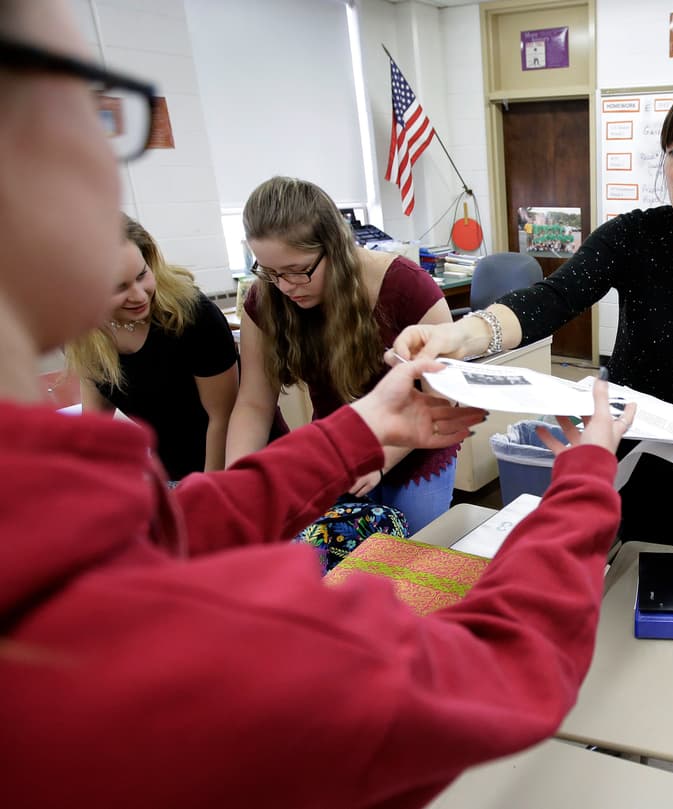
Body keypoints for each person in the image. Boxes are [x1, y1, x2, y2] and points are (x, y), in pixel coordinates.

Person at [0, 3, 638, 806]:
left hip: (396, 447)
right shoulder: (209, 648)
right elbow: (502, 670)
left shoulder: (61, 530)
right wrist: (583, 479)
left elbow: (176, 524)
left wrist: (354, 437)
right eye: (89, 117)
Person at [394, 85, 673, 551]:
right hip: (627, 458)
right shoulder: (634, 237)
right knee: (612, 577)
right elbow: (551, 299)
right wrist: (460, 335)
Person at [226, 175, 458, 533]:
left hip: (416, 446)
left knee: (414, 555)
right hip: (339, 454)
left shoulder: (407, 287)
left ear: (335, 247)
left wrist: (382, 457)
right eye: (270, 272)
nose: (285, 287)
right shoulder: (266, 299)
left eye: (298, 271)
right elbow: (254, 403)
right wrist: (233, 485)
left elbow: (443, 399)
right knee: (339, 558)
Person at [64, 215, 239, 480]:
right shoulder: (85, 334)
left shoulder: (193, 315)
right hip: (172, 473)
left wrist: (206, 491)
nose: (139, 295)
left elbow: (223, 418)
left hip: (230, 466)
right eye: (119, 288)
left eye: (142, 275)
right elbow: (95, 426)